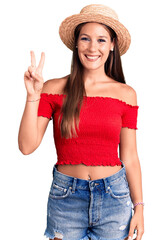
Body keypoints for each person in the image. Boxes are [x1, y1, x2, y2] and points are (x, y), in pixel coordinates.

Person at [18, 4, 144, 240]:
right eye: (85, 39)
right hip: (66, 199)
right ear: (76, 43)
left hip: (114, 199)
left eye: (101, 40)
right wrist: (33, 96)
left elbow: (130, 156)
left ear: (112, 45)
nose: (92, 47)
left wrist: (139, 207)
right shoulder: (53, 89)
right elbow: (26, 146)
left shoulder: (126, 94)